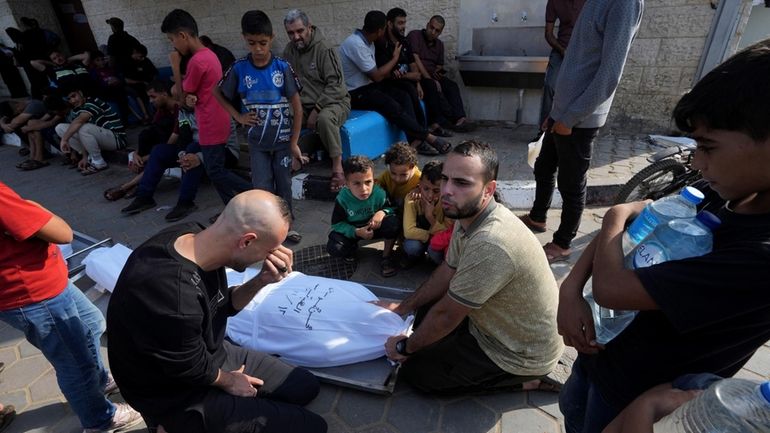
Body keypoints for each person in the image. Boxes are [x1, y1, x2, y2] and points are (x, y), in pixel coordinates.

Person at [555, 38, 770, 433]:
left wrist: (615, 214)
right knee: (572, 414)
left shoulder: (760, 253)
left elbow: (613, 288)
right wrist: (570, 289)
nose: (698, 163)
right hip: (598, 354)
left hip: (634, 395)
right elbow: (637, 222)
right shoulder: (722, 190)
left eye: (707, 146)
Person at [107, 189, 327, 433]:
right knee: (313, 426)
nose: (274, 257)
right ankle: (171, 424)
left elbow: (222, 305)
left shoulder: (197, 235)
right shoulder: (172, 295)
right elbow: (188, 367)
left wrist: (261, 280)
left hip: (204, 354)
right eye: (270, 250)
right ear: (246, 241)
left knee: (304, 386)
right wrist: (231, 381)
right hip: (172, 389)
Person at [381, 140, 564, 394]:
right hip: (491, 323)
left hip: (517, 351)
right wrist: (404, 307)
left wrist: (404, 348)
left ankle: (526, 382)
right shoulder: (466, 215)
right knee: (421, 313)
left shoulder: (491, 243)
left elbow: (447, 315)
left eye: (462, 183)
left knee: (418, 374)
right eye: (445, 179)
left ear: (488, 189)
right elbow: (447, 269)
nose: (446, 190)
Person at [0, 182, 143, 432]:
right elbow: (63, 233)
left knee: (91, 323)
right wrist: (35, 207)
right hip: (35, 293)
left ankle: (97, 382)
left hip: (42, 283)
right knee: (75, 363)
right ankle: (100, 419)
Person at [520, 0, 643, 263]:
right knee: (543, 166)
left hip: (579, 118)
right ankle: (538, 216)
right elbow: (577, 60)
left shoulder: (624, 4)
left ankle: (563, 242)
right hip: (562, 113)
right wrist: (554, 114)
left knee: (571, 183)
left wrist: (572, 118)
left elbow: (609, 74)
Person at [215, 10, 307, 244]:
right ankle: (267, 230)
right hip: (257, 143)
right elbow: (218, 93)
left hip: (283, 142)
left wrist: (294, 142)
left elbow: (298, 108)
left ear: (272, 38)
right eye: (252, 43)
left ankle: (287, 227)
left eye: (263, 43)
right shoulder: (238, 68)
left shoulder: (282, 67)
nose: (258, 49)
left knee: (284, 186)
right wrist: (239, 116)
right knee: (262, 188)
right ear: (244, 38)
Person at [163, 9, 252, 208]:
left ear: (183, 36)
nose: (173, 45)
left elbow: (182, 98)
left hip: (211, 122)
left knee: (215, 171)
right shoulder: (210, 55)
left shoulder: (197, 61)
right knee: (215, 170)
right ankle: (233, 209)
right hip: (217, 119)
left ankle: (257, 193)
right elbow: (196, 93)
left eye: (172, 40)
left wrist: (176, 67)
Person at [339, 10, 451, 156]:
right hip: (354, 93)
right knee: (391, 106)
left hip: (368, 87)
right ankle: (428, 137)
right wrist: (395, 58)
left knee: (403, 95)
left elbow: (380, 74)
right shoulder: (356, 44)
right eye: (385, 27)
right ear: (380, 30)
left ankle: (417, 140)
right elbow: (377, 76)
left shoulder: (369, 42)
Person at [283, 9, 351, 192]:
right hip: (303, 104)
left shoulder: (324, 49)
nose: (296, 36)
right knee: (281, 116)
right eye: (291, 33)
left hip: (333, 101)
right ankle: (291, 158)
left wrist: (317, 109)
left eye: (300, 31)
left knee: (324, 119)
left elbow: (336, 85)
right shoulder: (289, 51)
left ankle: (337, 167)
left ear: (309, 28)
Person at [120, 90, 205, 222]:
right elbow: (184, 136)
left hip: (218, 151)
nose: (181, 101)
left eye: (185, 97)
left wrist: (191, 154)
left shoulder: (211, 107)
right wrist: (182, 154)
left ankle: (186, 202)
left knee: (192, 149)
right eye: (181, 97)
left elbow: (215, 141)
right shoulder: (183, 111)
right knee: (159, 150)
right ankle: (144, 196)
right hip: (192, 151)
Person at [103, 80, 179, 201]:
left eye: (153, 97)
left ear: (164, 94)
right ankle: (137, 183)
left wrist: (145, 158)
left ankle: (127, 186)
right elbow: (153, 131)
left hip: (177, 147)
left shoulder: (178, 110)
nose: (151, 101)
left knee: (156, 155)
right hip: (161, 146)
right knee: (145, 135)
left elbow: (171, 143)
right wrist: (137, 155)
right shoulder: (161, 110)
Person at [327, 155, 400, 277]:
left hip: (375, 229)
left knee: (393, 224)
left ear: (374, 180)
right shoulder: (342, 199)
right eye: (357, 183)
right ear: (346, 183)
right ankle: (351, 250)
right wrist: (356, 232)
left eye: (368, 182)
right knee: (335, 247)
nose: (364, 189)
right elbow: (337, 224)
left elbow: (393, 208)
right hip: (355, 231)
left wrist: (382, 212)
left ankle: (386, 256)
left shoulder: (379, 193)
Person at [375, 8, 434, 150]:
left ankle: (424, 132)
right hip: (386, 84)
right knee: (407, 93)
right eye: (400, 23)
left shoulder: (404, 42)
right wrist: (410, 77)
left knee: (421, 87)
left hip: (404, 81)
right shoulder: (382, 44)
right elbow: (384, 75)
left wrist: (418, 82)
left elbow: (413, 65)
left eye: (404, 23)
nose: (403, 27)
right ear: (389, 24)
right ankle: (418, 138)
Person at [407, 16, 471, 133]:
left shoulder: (439, 45)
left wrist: (437, 73)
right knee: (431, 85)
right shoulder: (415, 35)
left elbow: (439, 65)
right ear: (427, 25)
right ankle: (436, 123)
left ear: (440, 32)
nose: (433, 32)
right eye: (431, 28)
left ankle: (460, 119)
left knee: (451, 85)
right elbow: (415, 59)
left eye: (437, 31)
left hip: (432, 76)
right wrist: (429, 77)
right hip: (418, 75)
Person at [54, 88, 127, 174]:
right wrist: (84, 157)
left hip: (116, 138)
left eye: (74, 96)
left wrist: (64, 139)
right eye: (69, 99)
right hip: (100, 139)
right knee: (60, 127)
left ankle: (99, 162)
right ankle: (89, 157)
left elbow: (80, 121)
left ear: (80, 92)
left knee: (82, 127)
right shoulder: (76, 110)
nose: (73, 100)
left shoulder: (93, 101)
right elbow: (77, 128)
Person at [538, 0, 587, 126]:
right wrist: (562, 50)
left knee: (580, 89)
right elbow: (548, 34)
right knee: (550, 85)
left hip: (584, 51)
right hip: (561, 50)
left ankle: (574, 128)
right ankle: (543, 131)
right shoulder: (554, 2)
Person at [402, 160, 449, 266]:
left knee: (434, 250)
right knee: (412, 247)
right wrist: (431, 236)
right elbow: (409, 232)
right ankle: (415, 257)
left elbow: (447, 232)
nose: (430, 195)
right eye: (426, 189)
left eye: (436, 191)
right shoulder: (411, 199)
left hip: (438, 241)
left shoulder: (447, 202)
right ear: (419, 184)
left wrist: (430, 217)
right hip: (425, 239)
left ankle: (440, 266)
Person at [0, 98, 49, 170]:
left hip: (48, 124)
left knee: (31, 125)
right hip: (40, 125)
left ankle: (40, 158)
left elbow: (15, 123)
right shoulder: (22, 107)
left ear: (17, 104)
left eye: (17, 109)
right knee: (28, 126)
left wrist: (5, 125)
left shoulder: (33, 105)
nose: (18, 111)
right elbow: (6, 123)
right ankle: (33, 157)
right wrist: (3, 124)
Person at [377, 141, 421, 208]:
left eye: (403, 175)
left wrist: (419, 189)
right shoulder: (387, 174)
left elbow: (429, 187)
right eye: (393, 173)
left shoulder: (419, 178)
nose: (397, 179)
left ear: (412, 167)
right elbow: (375, 184)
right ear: (389, 167)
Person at [30, 50, 95, 95]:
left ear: (63, 54)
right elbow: (33, 62)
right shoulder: (53, 70)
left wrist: (69, 59)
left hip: (93, 91)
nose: (58, 59)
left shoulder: (77, 65)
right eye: (54, 58)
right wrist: (52, 64)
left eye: (58, 55)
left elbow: (86, 55)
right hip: (75, 96)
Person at [123, 44, 159, 123]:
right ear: (134, 53)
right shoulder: (127, 63)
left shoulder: (145, 60)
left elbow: (155, 73)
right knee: (142, 91)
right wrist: (141, 82)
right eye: (141, 56)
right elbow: (126, 80)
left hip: (150, 83)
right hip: (137, 85)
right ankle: (148, 115)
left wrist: (153, 82)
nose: (143, 58)